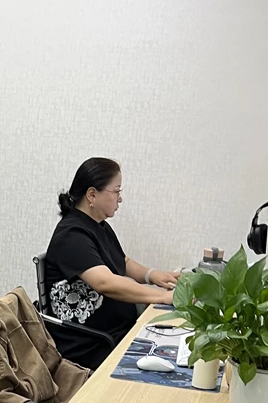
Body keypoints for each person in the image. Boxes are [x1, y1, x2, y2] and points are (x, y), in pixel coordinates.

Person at [45, 157, 178, 369]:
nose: (120, 198)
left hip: (114, 333)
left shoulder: (99, 226)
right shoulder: (71, 235)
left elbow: (122, 261)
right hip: (92, 344)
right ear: (92, 195)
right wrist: (164, 297)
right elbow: (105, 283)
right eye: (116, 191)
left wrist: (153, 275)